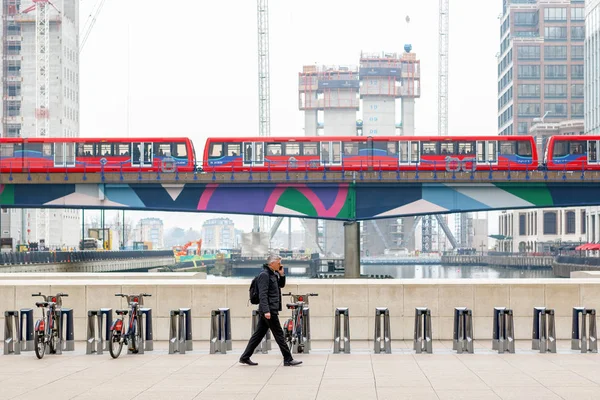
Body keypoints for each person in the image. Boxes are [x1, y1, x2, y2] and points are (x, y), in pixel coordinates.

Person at [239, 253, 302, 367]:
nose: (280, 265)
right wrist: (266, 310)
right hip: (269, 310)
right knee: (279, 335)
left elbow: (281, 286)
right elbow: (263, 294)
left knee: (258, 335)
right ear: (272, 263)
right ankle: (288, 358)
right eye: (279, 263)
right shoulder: (264, 275)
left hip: (270, 309)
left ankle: (245, 357)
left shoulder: (273, 274)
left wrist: (282, 275)